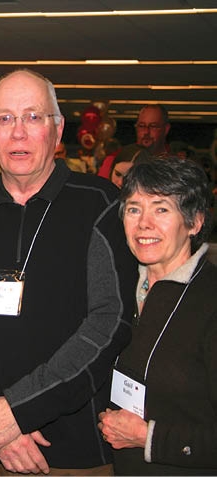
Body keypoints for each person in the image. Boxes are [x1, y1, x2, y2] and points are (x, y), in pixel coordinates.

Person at [0, 69, 137, 475]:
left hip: (70, 452)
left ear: (56, 131)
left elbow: (109, 324)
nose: (18, 133)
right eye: (5, 119)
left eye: (33, 117)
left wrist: (20, 411)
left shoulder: (100, 206)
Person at [98, 155, 217, 475]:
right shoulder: (117, 286)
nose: (144, 224)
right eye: (134, 209)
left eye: (161, 209)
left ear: (194, 222)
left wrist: (148, 437)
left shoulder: (209, 301)